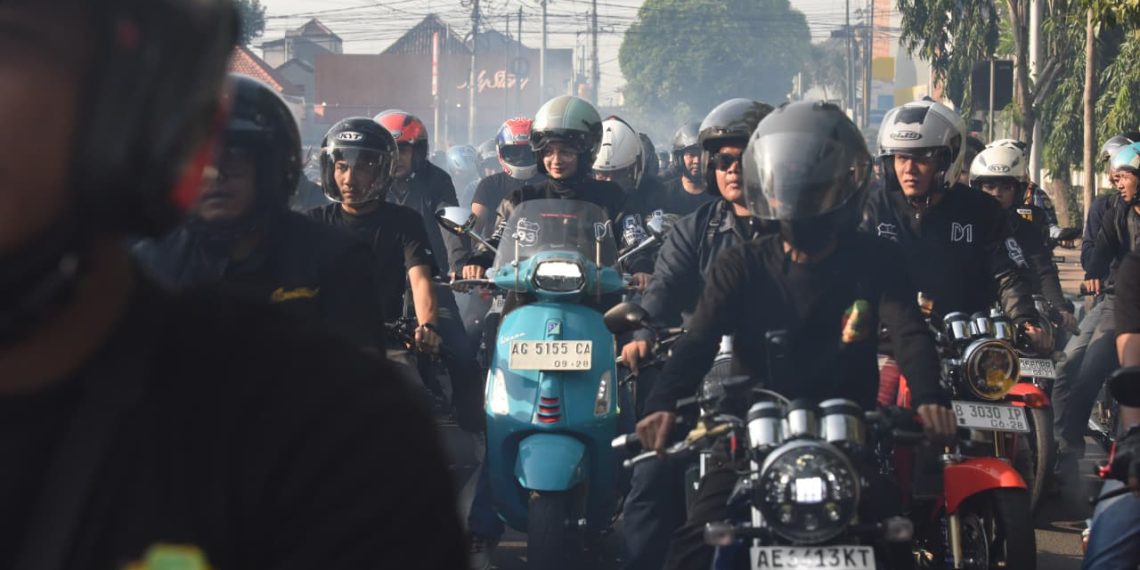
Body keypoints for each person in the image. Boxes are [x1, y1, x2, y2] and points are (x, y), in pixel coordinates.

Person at [0, 1, 466, 568]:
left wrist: (428, 327)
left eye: (13, 40)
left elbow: (421, 279)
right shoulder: (174, 254)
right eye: (342, 165)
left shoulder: (336, 428)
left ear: (129, 111)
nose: (351, 176)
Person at [636, 101, 956, 570]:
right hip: (748, 439)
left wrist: (930, 396)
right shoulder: (741, 264)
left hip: (847, 440)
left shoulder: (876, 259)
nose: (802, 197)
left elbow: (909, 330)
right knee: (690, 549)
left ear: (845, 184)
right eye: (792, 184)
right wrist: (663, 403)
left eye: (814, 183)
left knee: (895, 545)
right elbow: (698, 341)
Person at [617, 99, 771, 570]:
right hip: (700, 377)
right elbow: (662, 290)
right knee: (650, 477)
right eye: (723, 161)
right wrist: (643, 328)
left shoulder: (800, 229)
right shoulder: (695, 230)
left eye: (743, 159)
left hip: (781, 383)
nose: (732, 170)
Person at [134, 74, 384, 349]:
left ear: (270, 168)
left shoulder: (335, 260)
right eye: (200, 159)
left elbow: (359, 380)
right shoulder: (149, 265)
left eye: (234, 157)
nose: (215, 174)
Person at [862, 100, 1047, 348]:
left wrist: (1024, 320)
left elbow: (1007, 274)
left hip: (963, 346)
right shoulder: (872, 207)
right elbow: (850, 271)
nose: (908, 169)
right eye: (901, 157)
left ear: (945, 160)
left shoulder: (982, 210)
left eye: (921, 158)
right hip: (887, 341)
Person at [461, 95, 652, 282]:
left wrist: (641, 270)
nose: (556, 160)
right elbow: (497, 241)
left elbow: (633, 240)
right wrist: (477, 262)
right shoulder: (520, 200)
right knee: (488, 316)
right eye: (548, 152)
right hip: (526, 297)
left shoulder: (613, 197)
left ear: (587, 152)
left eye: (566, 152)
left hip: (597, 299)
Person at [1055, 142, 1140, 485]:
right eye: (1116, 178)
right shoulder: (1117, 211)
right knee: (1085, 369)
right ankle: (1067, 449)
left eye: (1125, 177)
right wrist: (1093, 271)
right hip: (1120, 303)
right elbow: (1098, 253)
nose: (1118, 184)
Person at [969, 145, 1077, 332]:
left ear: (1018, 191)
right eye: (989, 186)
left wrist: (1059, 308)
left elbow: (1044, 271)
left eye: (1006, 187)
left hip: (1026, 315)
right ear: (977, 188)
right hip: (977, 318)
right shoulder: (965, 229)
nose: (997, 193)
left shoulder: (1027, 229)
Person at [1081, 251, 1140, 569]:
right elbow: (1133, 357)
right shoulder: (1136, 268)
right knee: (1106, 559)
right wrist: (1134, 438)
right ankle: (1067, 440)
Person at [470, 118, 545, 236]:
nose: (521, 158)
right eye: (514, 152)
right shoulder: (489, 185)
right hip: (496, 252)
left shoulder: (550, 183)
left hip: (545, 252)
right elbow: (474, 230)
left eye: (527, 151)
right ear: (500, 151)